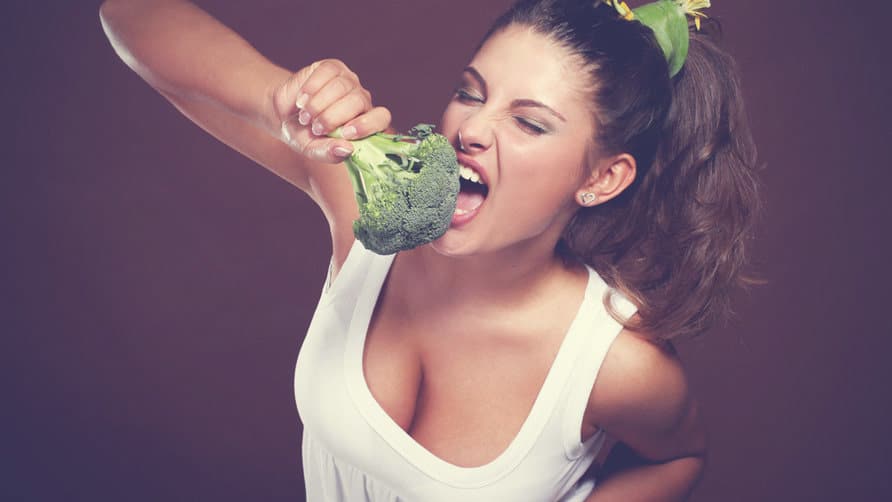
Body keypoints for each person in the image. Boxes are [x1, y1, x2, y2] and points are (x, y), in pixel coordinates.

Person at [100, 0, 760, 500]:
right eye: (470, 93)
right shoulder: (373, 205)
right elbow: (131, 14)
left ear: (600, 178)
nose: (471, 127)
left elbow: (680, 456)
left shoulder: (615, 364)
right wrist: (277, 100)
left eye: (528, 122)